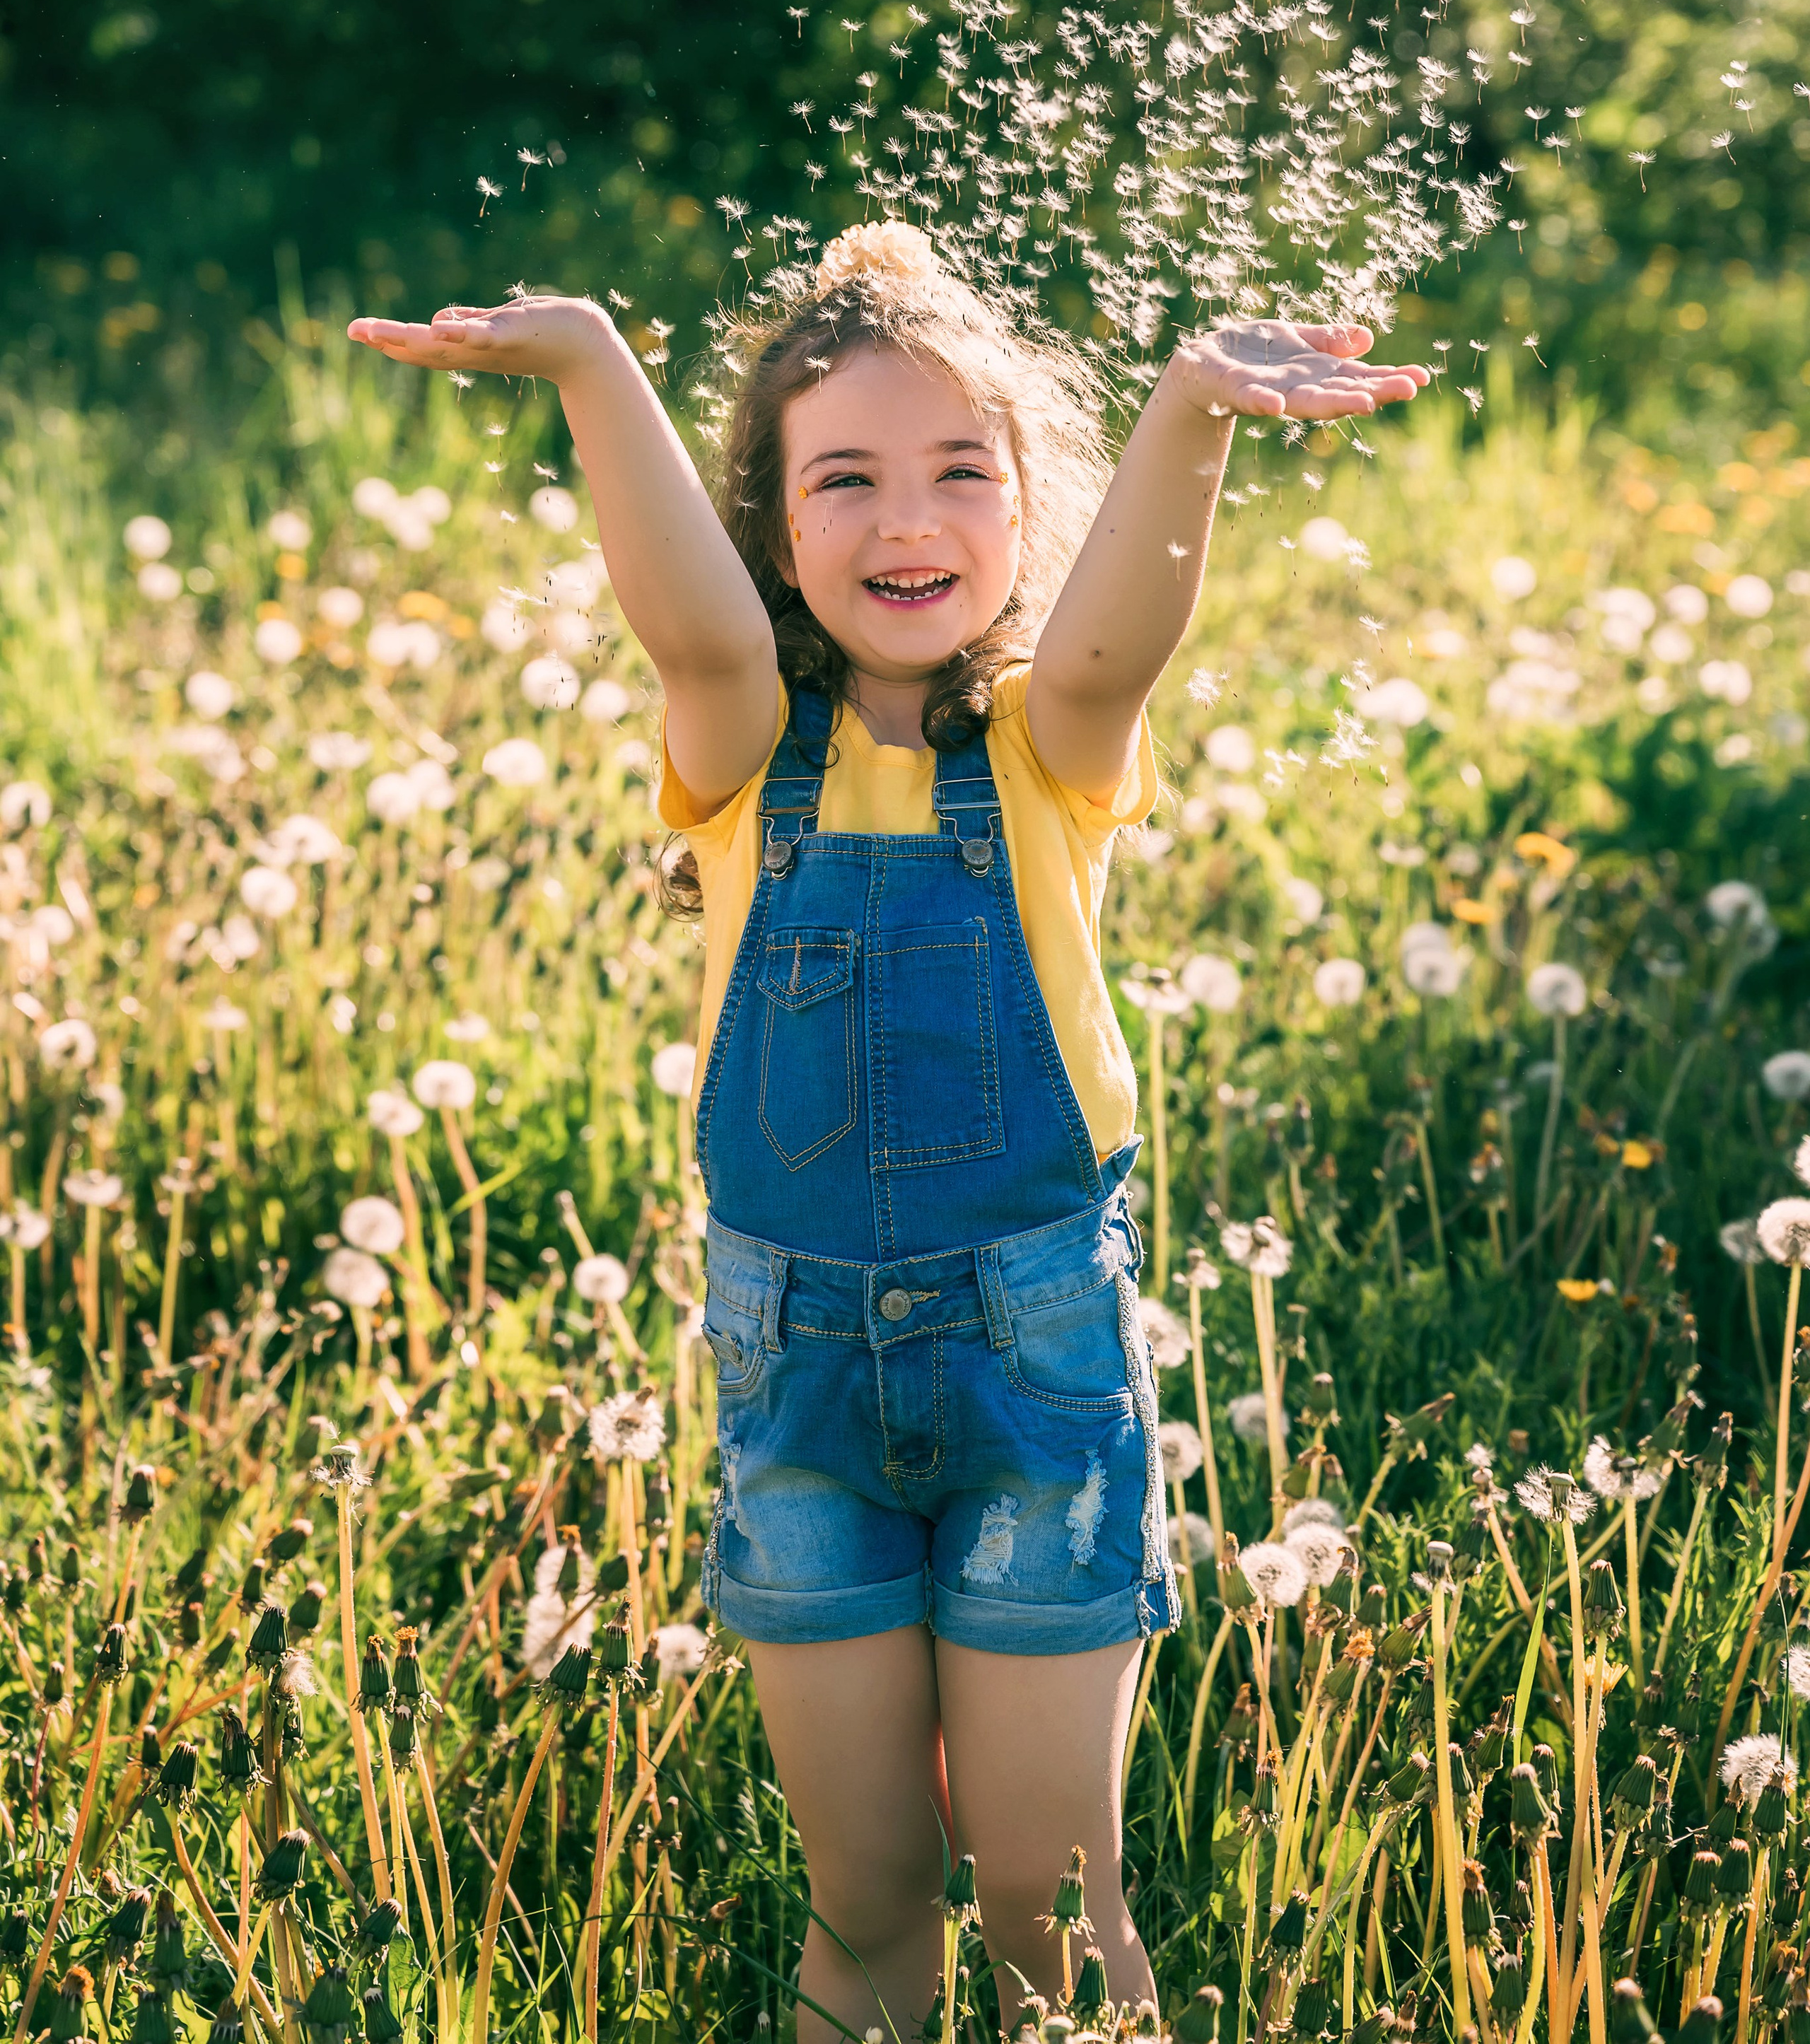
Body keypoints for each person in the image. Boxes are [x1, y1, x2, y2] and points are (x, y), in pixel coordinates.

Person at [349, 226, 1427, 2034]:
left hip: (1034, 1372)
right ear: (776, 532)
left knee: (1043, 1901)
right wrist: (593, 361)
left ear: (1023, 514)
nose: (903, 517)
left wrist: (1189, 409)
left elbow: (1121, 637)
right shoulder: (736, 743)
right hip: (803, 1399)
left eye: (959, 473)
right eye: (840, 479)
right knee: (863, 1892)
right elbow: (684, 618)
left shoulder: (1043, 754)